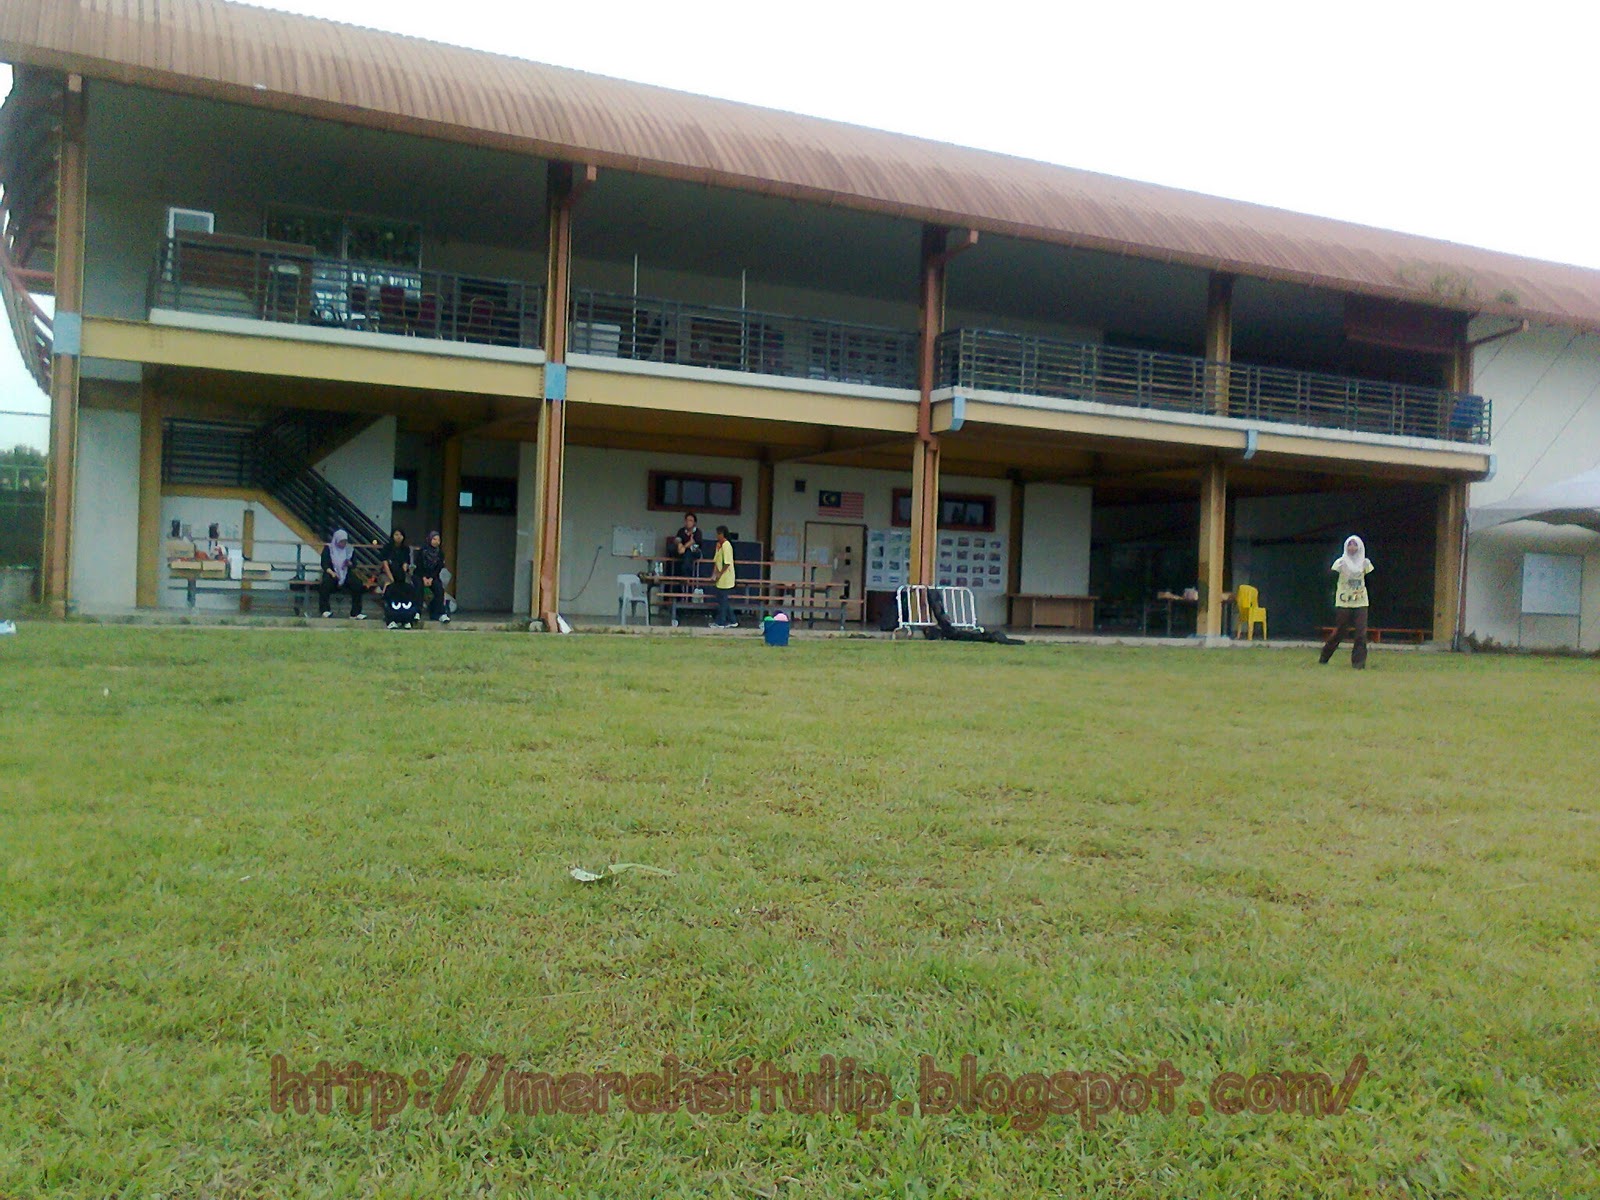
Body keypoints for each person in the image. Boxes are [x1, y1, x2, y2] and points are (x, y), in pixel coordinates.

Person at [1320, 535, 1374, 668]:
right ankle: (1325, 656)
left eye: (1355, 545)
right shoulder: (1340, 563)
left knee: (1361, 633)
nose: (1352, 548)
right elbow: (1330, 579)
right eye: (1350, 545)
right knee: (1341, 631)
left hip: (1361, 602)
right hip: (1343, 602)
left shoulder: (1365, 563)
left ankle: (1358, 663)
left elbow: (1372, 581)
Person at [318, 529, 368, 619]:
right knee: (325, 584)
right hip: (332, 572)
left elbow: (354, 564)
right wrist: (332, 573)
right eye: (341, 541)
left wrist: (349, 563)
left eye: (345, 541)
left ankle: (355, 613)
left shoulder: (349, 549)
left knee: (357, 584)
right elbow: (324, 564)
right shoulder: (329, 548)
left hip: (345, 572)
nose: (343, 543)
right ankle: (325, 610)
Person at [415, 530, 450, 623]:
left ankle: (440, 613)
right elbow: (418, 565)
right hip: (420, 575)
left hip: (433, 576)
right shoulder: (422, 551)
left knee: (439, 589)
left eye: (438, 540)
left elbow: (438, 568)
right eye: (434, 539)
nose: (436, 542)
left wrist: (431, 578)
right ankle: (417, 612)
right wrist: (424, 578)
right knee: (418, 587)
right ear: (429, 539)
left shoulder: (440, 554)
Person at [710, 525, 737, 628]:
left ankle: (721, 622)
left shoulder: (726, 545)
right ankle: (733, 620)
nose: (717, 536)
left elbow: (727, 563)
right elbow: (716, 561)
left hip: (726, 577)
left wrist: (720, 574)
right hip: (720, 578)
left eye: (718, 534)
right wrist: (714, 574)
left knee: (723, 601)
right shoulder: (720, 546)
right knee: (723, 600)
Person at [673, 513, 703, 583]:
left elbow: (693, 542)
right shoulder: (681, 531)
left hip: (694, 551)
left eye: (690, 520)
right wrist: (679, 544)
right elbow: (677, 539)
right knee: (671, 548)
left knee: (688, 553)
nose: (688, 522)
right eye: (686, 520)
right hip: (683, 552)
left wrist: (684, 547)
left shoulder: (697, 532)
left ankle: (686, 577)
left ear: (694, 523)